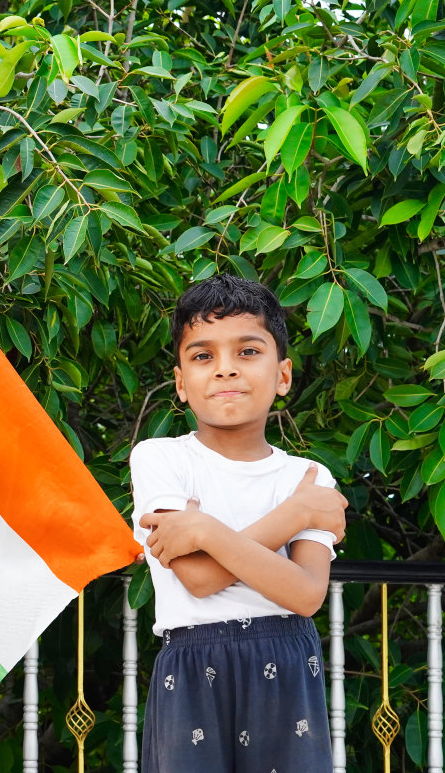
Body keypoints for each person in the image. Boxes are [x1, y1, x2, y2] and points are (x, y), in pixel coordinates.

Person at [131, 274, 350, 772]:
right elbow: (200, 579)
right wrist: (294, 514)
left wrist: (205, 531)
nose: (225, 370)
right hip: (191, 666)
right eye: (203, 356)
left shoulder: (309, 475)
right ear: (182, 383)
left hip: (288, 663)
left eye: (248, 352)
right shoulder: (160, 459)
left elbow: (306, 594)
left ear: (283, 375)